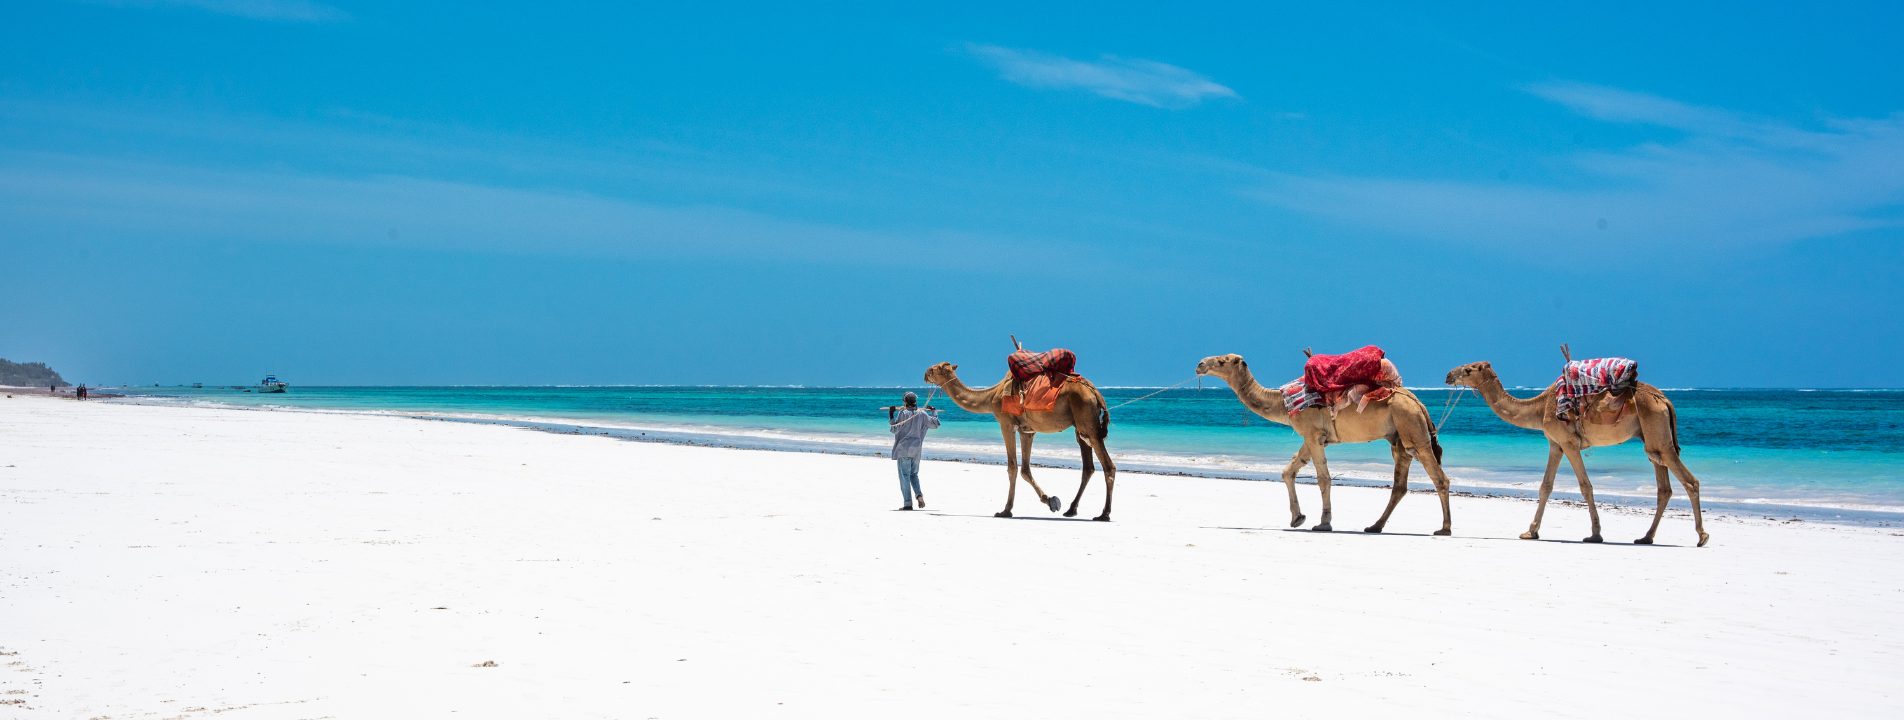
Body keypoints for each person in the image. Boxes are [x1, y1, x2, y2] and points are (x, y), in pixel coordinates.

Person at [888, 391, 940, 510]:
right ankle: (919, 495)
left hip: (904, 449)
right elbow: (935, 424)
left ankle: (907, 503)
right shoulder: (922, 414)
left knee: (904, 476)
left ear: (905, 402)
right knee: (914, 475)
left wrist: (891, 415)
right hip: (916, 449)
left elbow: (895, 429)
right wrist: (934, 411)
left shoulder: (903, 413)